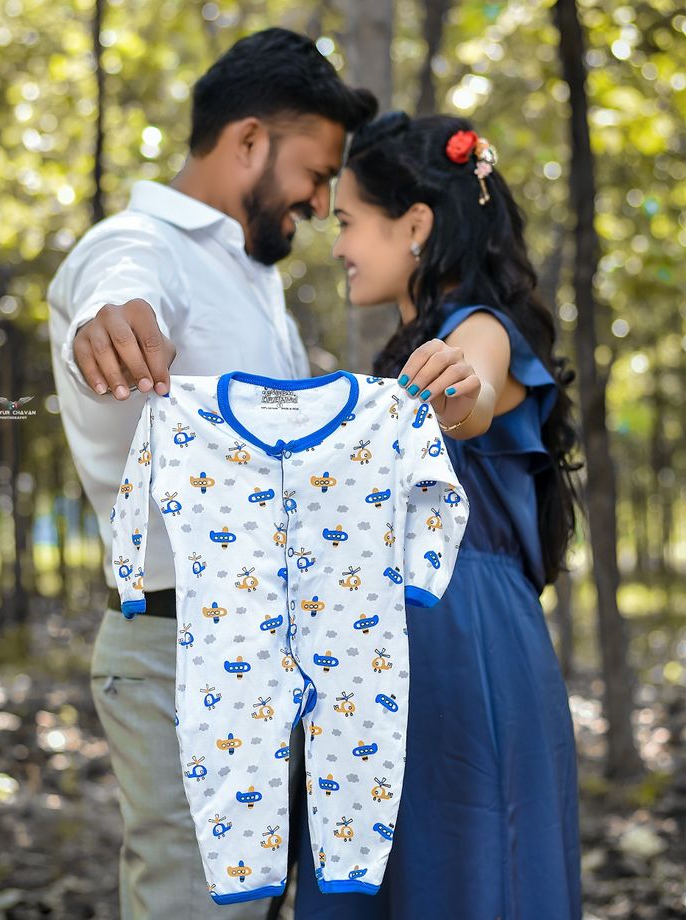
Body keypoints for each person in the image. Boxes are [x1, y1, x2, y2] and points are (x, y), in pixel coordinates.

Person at [46, 29, 376, 920]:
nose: (317, 202)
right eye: (315, 174)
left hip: (270, 650)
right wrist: (117, 317)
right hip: (176, 646)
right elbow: (124, 282)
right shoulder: (141, 243)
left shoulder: (249, 273)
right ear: (248, 143)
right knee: (198, 903)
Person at [291, 112, 583, 919]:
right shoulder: (400, 354)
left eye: (350, 222)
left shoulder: (479, 330)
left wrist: (458, 394)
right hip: (380, 654)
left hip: (459, 646)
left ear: (414, 224)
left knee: (467, 876)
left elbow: (476, 395)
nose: (340, 243)